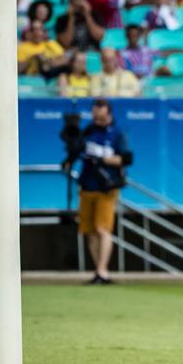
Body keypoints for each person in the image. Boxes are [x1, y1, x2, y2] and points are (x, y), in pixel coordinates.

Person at [71, 99, 133, 285]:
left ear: (109, 114)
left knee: (102, 229)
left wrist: (101, 158)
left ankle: (103, 270)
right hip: (87, 185)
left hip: (107, 188)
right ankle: (97, 270)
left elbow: (125, 159)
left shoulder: (117, 134)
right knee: (89, 231)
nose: (98, 117)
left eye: (101, 114)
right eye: (95, 113)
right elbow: (76, 151)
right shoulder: (88, 131)